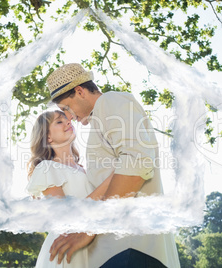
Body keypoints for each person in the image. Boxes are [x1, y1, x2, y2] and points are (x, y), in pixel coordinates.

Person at [46, 63, 181, 267]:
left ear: (80, 91)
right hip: (114, 252)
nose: (69, 116)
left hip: (130, 249)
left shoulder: (110, 101)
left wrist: (88, 229)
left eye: (66, 108)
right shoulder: (99, 121)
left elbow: (137, 161)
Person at [26, 110, 113, 267]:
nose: (68, 122)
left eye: (67, 120)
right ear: (48, 137)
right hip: (65, 252)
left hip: (92, 249)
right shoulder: (47, 167)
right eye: (59, 121)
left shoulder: (85, 170)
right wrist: (111, 180)